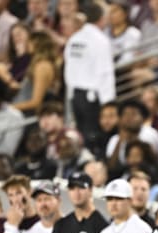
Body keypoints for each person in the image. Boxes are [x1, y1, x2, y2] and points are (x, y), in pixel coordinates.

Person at [64, 2, 114, 144]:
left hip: (76, 96)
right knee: (95, 138)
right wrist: (108, 103)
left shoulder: (74, 39)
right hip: (93, 98)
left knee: (81, 136)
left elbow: (68, 69)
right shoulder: (100, 40)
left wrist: (71, 95)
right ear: (102, 18)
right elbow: (105, 72)